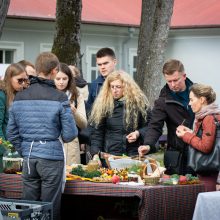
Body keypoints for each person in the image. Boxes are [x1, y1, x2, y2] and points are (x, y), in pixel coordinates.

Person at [6, 52, 78, 220]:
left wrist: (24, 150)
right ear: (54, 71)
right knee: (50, 208)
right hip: (51, 157)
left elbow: (11, 133)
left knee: (28, 208)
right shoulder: (60, 97)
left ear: (37, 69)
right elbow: (70, 134)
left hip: (29, 158)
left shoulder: (19, 97)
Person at [138, 59, 195, 175]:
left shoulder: (198, 92)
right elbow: (155, 125)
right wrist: (148, 144)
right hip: (176, 156)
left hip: (199, 152)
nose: (173, 85)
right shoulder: (163, 100)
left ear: (184, 76)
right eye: (169, 81)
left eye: (175, 80)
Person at [89, 70, 151, 165]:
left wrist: (138, 133)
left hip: (133, 156)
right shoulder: (104, 105)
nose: (114, 90)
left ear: (126, 87)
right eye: (112, 87)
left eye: (118, 87)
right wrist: (95, 154)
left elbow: (150, 127)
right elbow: (97, 133)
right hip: (110, 157)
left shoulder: (139, 104)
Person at [176, 83, 220, 191]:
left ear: (202, 100)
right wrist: (190, 132)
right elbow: (209, 139)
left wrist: (186, 136)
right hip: (211, 174)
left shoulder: (208, 118)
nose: (189, 104)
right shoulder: (212, 114)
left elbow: (206, 146)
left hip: (209, 175)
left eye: (191, 100)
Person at [54, 63, 87, 165]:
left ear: (69, 79)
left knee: (71, 178)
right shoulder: (47, 94)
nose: (61, 82)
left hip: (71, 145)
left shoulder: (76, 95)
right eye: (58, 78)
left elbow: (84, 124)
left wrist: (74, 112)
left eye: (64, 79)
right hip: (52, 142)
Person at [0, 63, 28, 172]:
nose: (23, 83)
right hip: (5, 152)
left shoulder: (20, 95)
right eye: (19, 80)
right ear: (9, 78)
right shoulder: (2, 95)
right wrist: (7, 150)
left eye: (25, 80)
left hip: (17, 149)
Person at [86, 47, 117, 113]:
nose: (102, 67)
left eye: (105, 63)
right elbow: (90, 110)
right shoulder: (94, 84)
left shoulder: (124, 82)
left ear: (114, 62)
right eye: (99, 64)